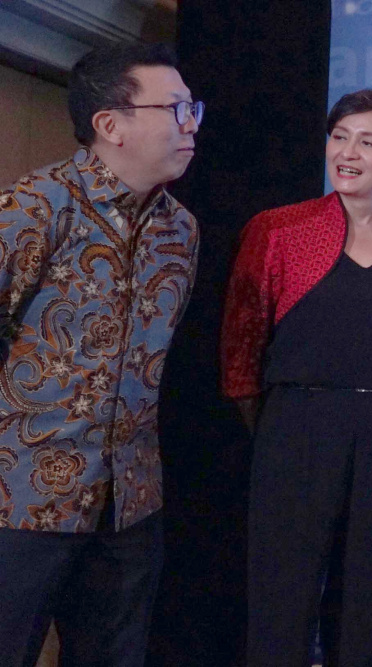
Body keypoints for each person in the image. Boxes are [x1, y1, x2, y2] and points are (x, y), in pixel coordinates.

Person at [0, 43, 202, 666]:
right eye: (174, 108)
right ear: (111, 125)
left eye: (193, 108)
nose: (191, 124)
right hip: (22, 498)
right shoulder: (33, 206)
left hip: (130, 503)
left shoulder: (181, 230)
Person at [220, 89, 372, 667]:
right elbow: (242, 343)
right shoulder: (278, 229)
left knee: (362, 597)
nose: (348, 152)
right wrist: (277, 419)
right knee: (282, 597)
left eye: (368, 142)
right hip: (297, 424)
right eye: (339, 137)